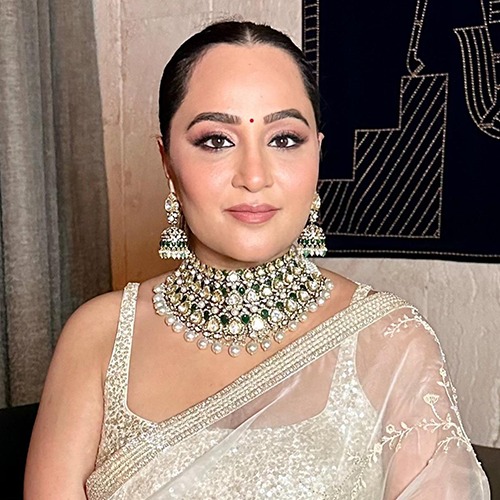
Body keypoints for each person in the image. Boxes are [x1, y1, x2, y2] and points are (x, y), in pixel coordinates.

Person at [24, 20, 490, 499]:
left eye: (284, 139)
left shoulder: (390, 342)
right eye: (216, 140)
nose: (254, 175)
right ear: (167, 161)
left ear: (318, 155)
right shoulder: (99, 338)